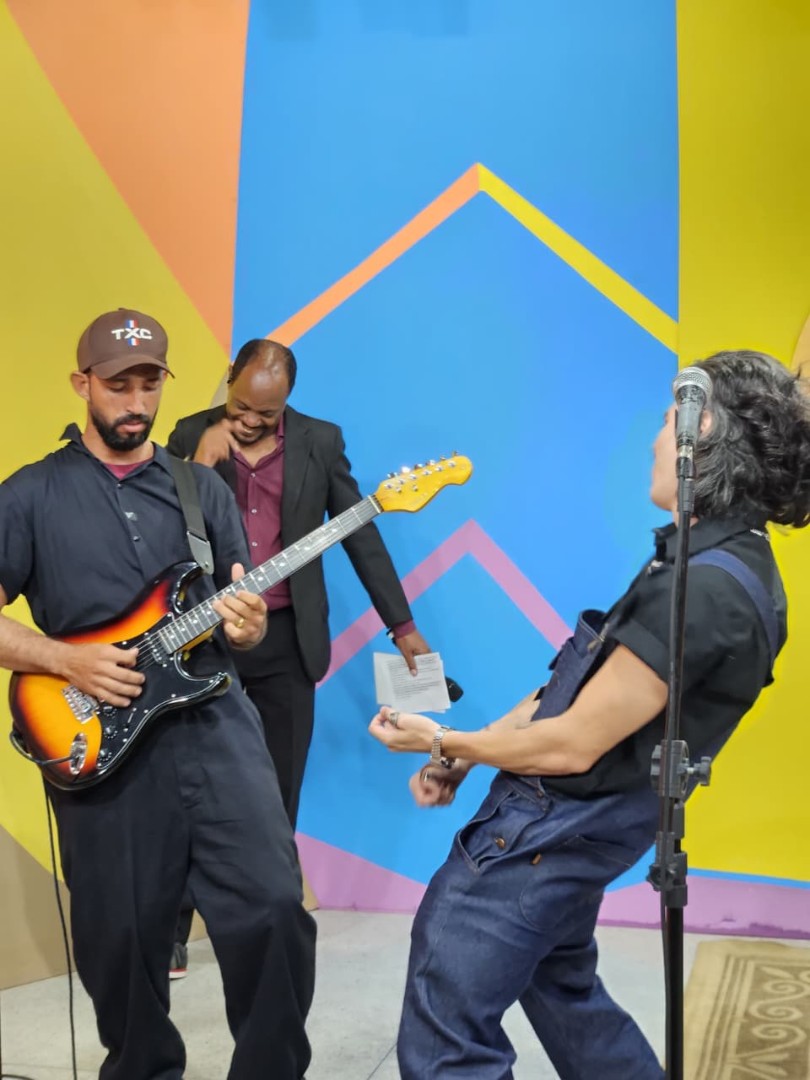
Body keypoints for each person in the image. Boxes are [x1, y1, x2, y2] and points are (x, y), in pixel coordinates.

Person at [369, 349, 810, 1079]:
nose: (653, 442)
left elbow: (573, 744)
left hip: (547, 834)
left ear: (704, 435)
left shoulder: (705, 592)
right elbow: (574, 685)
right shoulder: (722, 565)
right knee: (565, 992)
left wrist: (443, 737)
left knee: (447, 1029)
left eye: (667, 423)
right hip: (578, 831)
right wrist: (466, 750)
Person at [0, 309, 316, 1080]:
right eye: (119, 386)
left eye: (150, 384)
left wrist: (246, 627)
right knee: (121, 937)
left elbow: (238, 615)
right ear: (82, 385)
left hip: (217, 728)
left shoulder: (200, 489)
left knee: (275, 907)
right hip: (99, 740)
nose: (136, 402)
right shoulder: (29, 495)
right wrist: (63, 660)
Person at [166, 338, 431, 972]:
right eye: (241, 406)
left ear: (287, 399)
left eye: (267, 412)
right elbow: (155, 527)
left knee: (278, 793)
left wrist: (402, 625)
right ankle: (171, 928)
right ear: (229, 380)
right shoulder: (188, 435)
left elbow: (360, 534)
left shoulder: (320, 442)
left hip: (287, 640)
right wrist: (196, 466)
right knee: (188, 789)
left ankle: (267, 926)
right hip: (206, 639)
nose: (250, 421)